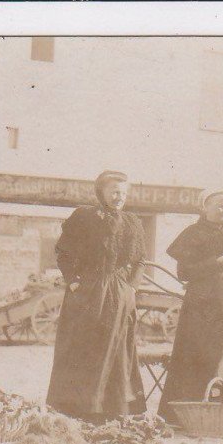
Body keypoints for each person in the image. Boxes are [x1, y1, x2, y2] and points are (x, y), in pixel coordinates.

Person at [46, 170, 147, 422]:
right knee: (84, 347)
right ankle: (79, 408)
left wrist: (131, 288)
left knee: (117, 348)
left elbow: (139, 261)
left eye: (123, 193)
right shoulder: (84, 217)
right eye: (114, 191)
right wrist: (74, 282)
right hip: (88, 293)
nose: (119, 197)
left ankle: (112, 409)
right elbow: (64, 253)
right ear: (100, 192)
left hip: (119, 294)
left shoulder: (132, 222)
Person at [157, 190, 223, 416]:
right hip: (206, 307)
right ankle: (204, 410)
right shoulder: (193, 233)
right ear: (204, 208)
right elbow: (184, 272)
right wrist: (216, 264)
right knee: (213, 352)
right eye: (220, 206)